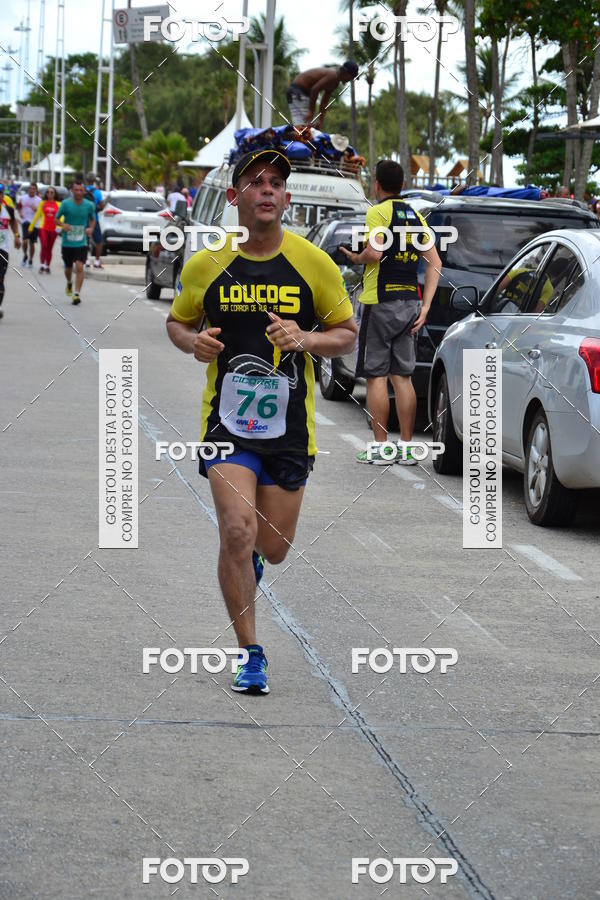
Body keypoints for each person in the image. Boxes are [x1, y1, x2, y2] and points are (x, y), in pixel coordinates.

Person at [166, 149, 357, 694]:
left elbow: (346, 332)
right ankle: (251, 652)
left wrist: (307, 338)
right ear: (235, 198)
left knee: (271, 546)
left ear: (287, 199)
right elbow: (177, 324)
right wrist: (193, 342)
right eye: (255, 182)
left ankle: (254, 560)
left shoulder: (312, 263)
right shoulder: (208, 262)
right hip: (226, 424)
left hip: (290, 429)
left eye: (276, 183)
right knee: (235, 530)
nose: (267, 190)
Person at [340, 159, 442, 465]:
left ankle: (382, 449)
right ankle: (408, 448)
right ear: (401, 184)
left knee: (375, 377)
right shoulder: (414, 215)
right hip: (411, 301)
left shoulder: (377, 212)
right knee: (403, 377)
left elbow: (376, 252)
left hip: (380, 301)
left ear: (377, 184)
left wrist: (356, 258)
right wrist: (426, 306)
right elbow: (435, 261)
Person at [56, 178, 96, 305]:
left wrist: (91, 228)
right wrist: (63, 225)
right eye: (76, 190)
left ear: (84, 191)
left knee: (79, 266)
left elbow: (93, 219)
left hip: (81, 242)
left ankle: (76, 293)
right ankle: (69, 282)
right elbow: (56, 219)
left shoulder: (89, 205)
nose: (78, 192)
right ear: (72, 191)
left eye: (81, 190)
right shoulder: (66, 204)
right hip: (67, 242)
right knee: (68, 269)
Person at [286, 61, 359, 130]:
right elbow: (314, 90)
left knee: (310, 126)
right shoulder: (333, 75)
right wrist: (311, 111)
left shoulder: (335, 83)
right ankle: (284, 137)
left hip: (304, 94)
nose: (350, 80)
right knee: (303, 126)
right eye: (351, 77)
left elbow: (324, 102)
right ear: (344, 72)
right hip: (297, 91)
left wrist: (320, 120)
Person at [0, 184, 21, 320]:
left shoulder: (8, 209)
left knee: (0, 279)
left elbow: (13, 222)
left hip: (3, 249)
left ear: (2, 196)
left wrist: (17, 236)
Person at [29, 186, 60, 273]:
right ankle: (42, 265)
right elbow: (37, 215)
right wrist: (31, 226)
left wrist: (59, 227)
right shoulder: (43, 203)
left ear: (55, 194)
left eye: (52, 192)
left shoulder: (59, 204)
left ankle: (47, 266)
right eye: (48, 192)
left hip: (53, 229)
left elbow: (61, 217)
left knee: (50, 248)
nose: (49, 194)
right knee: (44, 245)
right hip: (43, 228)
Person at [18, 182, 41, 268]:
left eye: (33, 189)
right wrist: (20, 213)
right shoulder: (23, 198)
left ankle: (30, 259)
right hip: (25, 222)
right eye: (30, 188)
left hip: (35, 224)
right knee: (25, 241)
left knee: (32, 243)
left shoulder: (39, 200)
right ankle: (25, 255)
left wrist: (36, 210)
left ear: (36, 190)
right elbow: (19, 206)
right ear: (28, 189)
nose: (32, 190)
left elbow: (41, 213)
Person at [84, 173, 105, 268]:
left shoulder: (82, 190)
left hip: (83, 219)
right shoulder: (97, 192)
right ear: (94, 181)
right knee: (99, 241)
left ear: (86, 180)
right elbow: (102, 206)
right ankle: (96, 261)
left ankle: (86, 260)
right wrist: (95, 209)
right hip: (94, 219)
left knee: (84, 240)